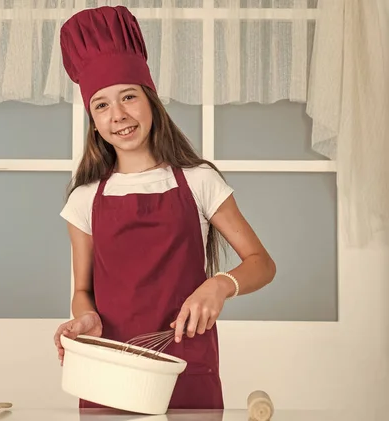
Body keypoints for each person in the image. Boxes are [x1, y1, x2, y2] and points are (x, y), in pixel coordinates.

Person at [53, 5, 276, 410]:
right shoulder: (84, 199)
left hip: (187, 367)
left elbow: (262, 263)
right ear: (93, 119)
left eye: (128, 97)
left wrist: (219, 285)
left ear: (151, 100)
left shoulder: (198, 181)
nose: (118, 114)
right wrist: (85, 319)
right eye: (101, 105)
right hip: (110, 371)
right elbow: (83, 290)